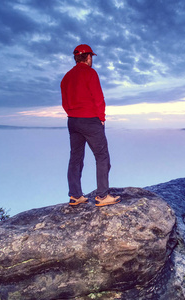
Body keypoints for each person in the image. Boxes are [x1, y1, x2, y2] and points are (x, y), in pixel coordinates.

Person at [60, 44, 120, 207]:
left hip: (73, 121)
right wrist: (101, 117)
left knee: (75, 157)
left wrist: (72, 114)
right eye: (91, 56)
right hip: (90, 120)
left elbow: (65, 102)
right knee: (102, 156)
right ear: (87, 57)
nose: (91, 59)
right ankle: (102, 196)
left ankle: (75, 195)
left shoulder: (66, 77)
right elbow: (98, 97)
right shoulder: (90, 73)